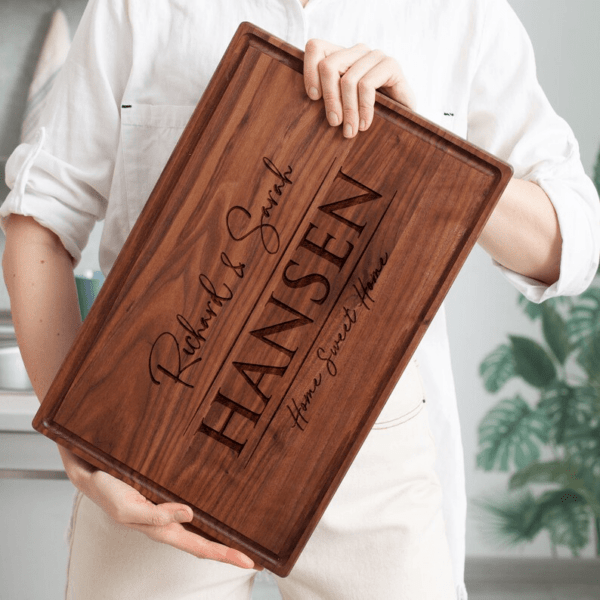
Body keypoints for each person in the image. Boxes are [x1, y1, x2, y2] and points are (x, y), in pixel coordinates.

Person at [2, 0, 599, 598]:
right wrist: (79, 440)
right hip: (156, 449)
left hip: (374, 446)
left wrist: (432, 150)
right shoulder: (135, 9)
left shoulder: (465, 14)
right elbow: (40, 219)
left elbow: (569, 246)